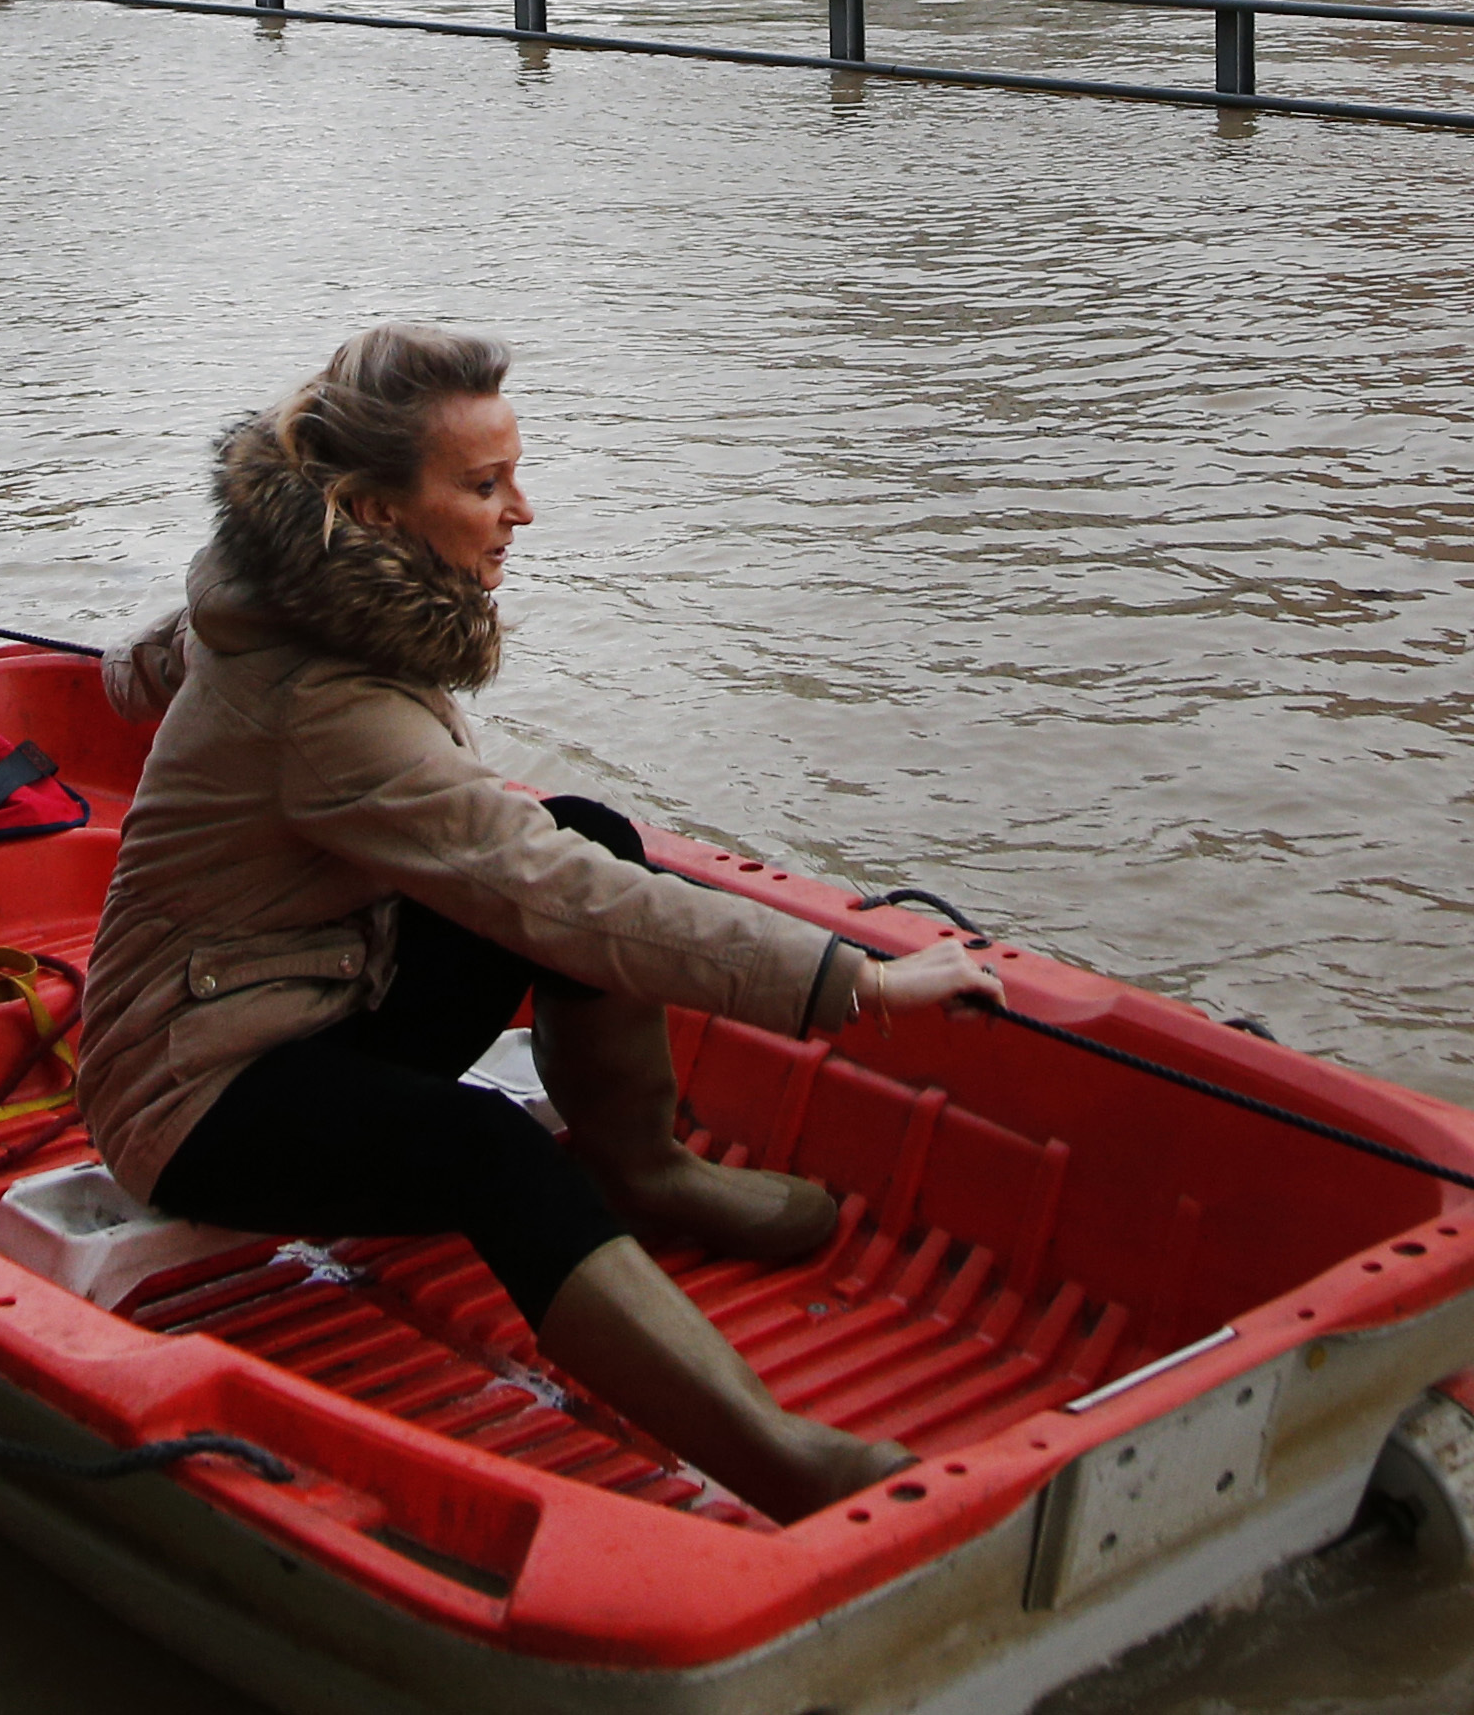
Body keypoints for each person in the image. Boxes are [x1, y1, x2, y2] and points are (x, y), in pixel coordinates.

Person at [83, 326, 989, 1520]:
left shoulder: (273, 592)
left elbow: (146, 666)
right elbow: (554, 901)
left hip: (318, 983)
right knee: (489, 1144)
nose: (523, 511)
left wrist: (144, 671)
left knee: (587, 826)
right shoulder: (322, 703)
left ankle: (642, 1170)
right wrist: (853, 983)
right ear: (374, 511)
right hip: (195, 1091)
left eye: (513, 473)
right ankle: (784, 1462)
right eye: (483, 486)